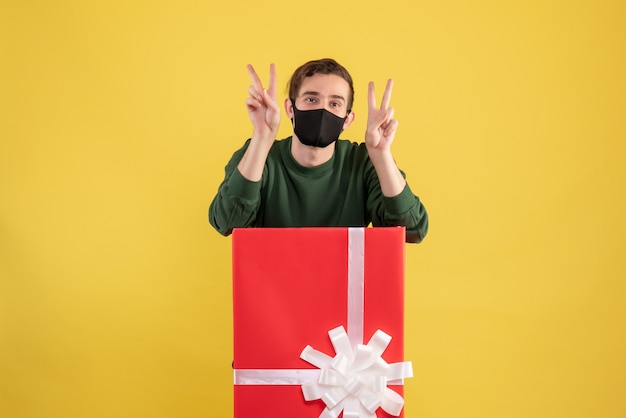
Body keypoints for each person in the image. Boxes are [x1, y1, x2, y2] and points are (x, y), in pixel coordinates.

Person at [208, 58, 428, 243]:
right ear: (290, 108)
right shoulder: (258, 154)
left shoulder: (363, 162)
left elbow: (413, 229)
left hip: (345, 291)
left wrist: (381, 155)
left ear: (348, 119)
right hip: (272, 290)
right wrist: (262, 136)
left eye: (335, 104)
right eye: (311, 99)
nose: (322, 109)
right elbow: (227, 222)